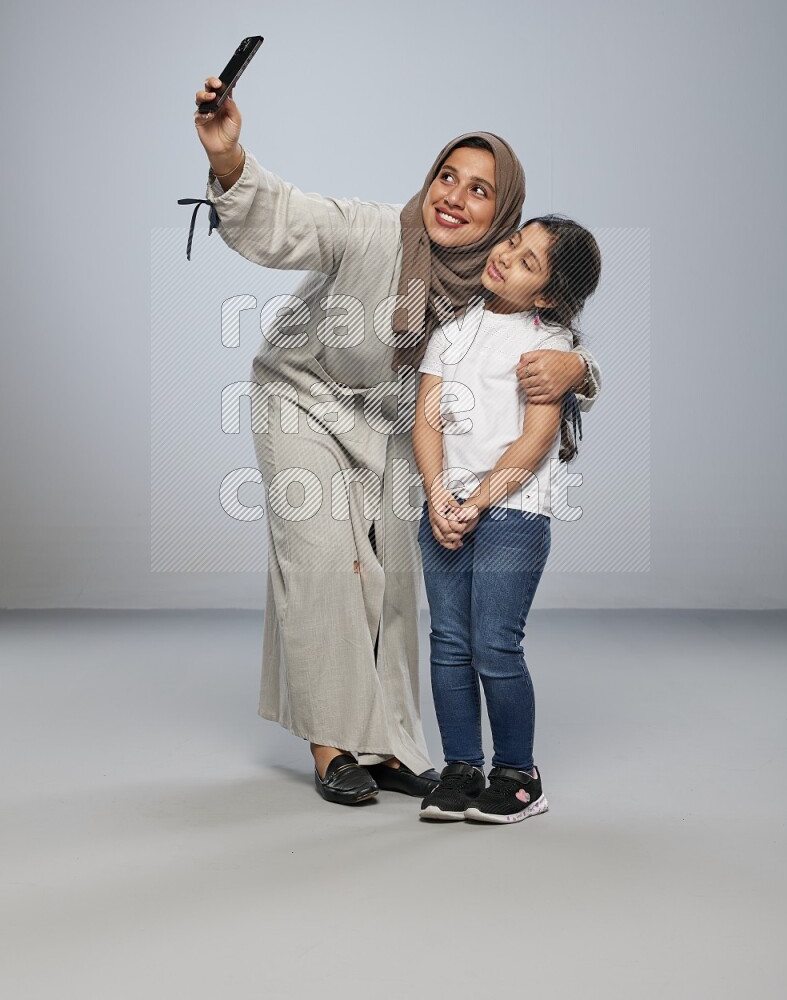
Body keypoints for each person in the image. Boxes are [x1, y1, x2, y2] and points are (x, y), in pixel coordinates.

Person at [186, 75, 602, 805]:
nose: (453, 196)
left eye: (479, 191)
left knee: (397, 583)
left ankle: (383, 746)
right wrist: (228, 159)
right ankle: (332, 746)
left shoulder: (495, 281)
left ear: (503, 217)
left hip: (400, 426)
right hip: (304, 397)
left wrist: (580, 368)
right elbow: (285, 217)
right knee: (324, 564)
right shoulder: (375, 229)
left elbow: (552, 333)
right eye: (448, 176)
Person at [413, 215, 601, 823]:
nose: (507, 256)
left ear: (546, 294)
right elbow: (427, 420)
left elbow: (536, 440)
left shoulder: (549, 346)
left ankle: (518, 775)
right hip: (446, 509)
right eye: (513, 242)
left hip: (511, 513)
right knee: (448, 643)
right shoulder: (452, 330)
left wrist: (476, 502)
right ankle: (462, 768)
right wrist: (438, 495)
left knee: (495, 643)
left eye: (527, 262)